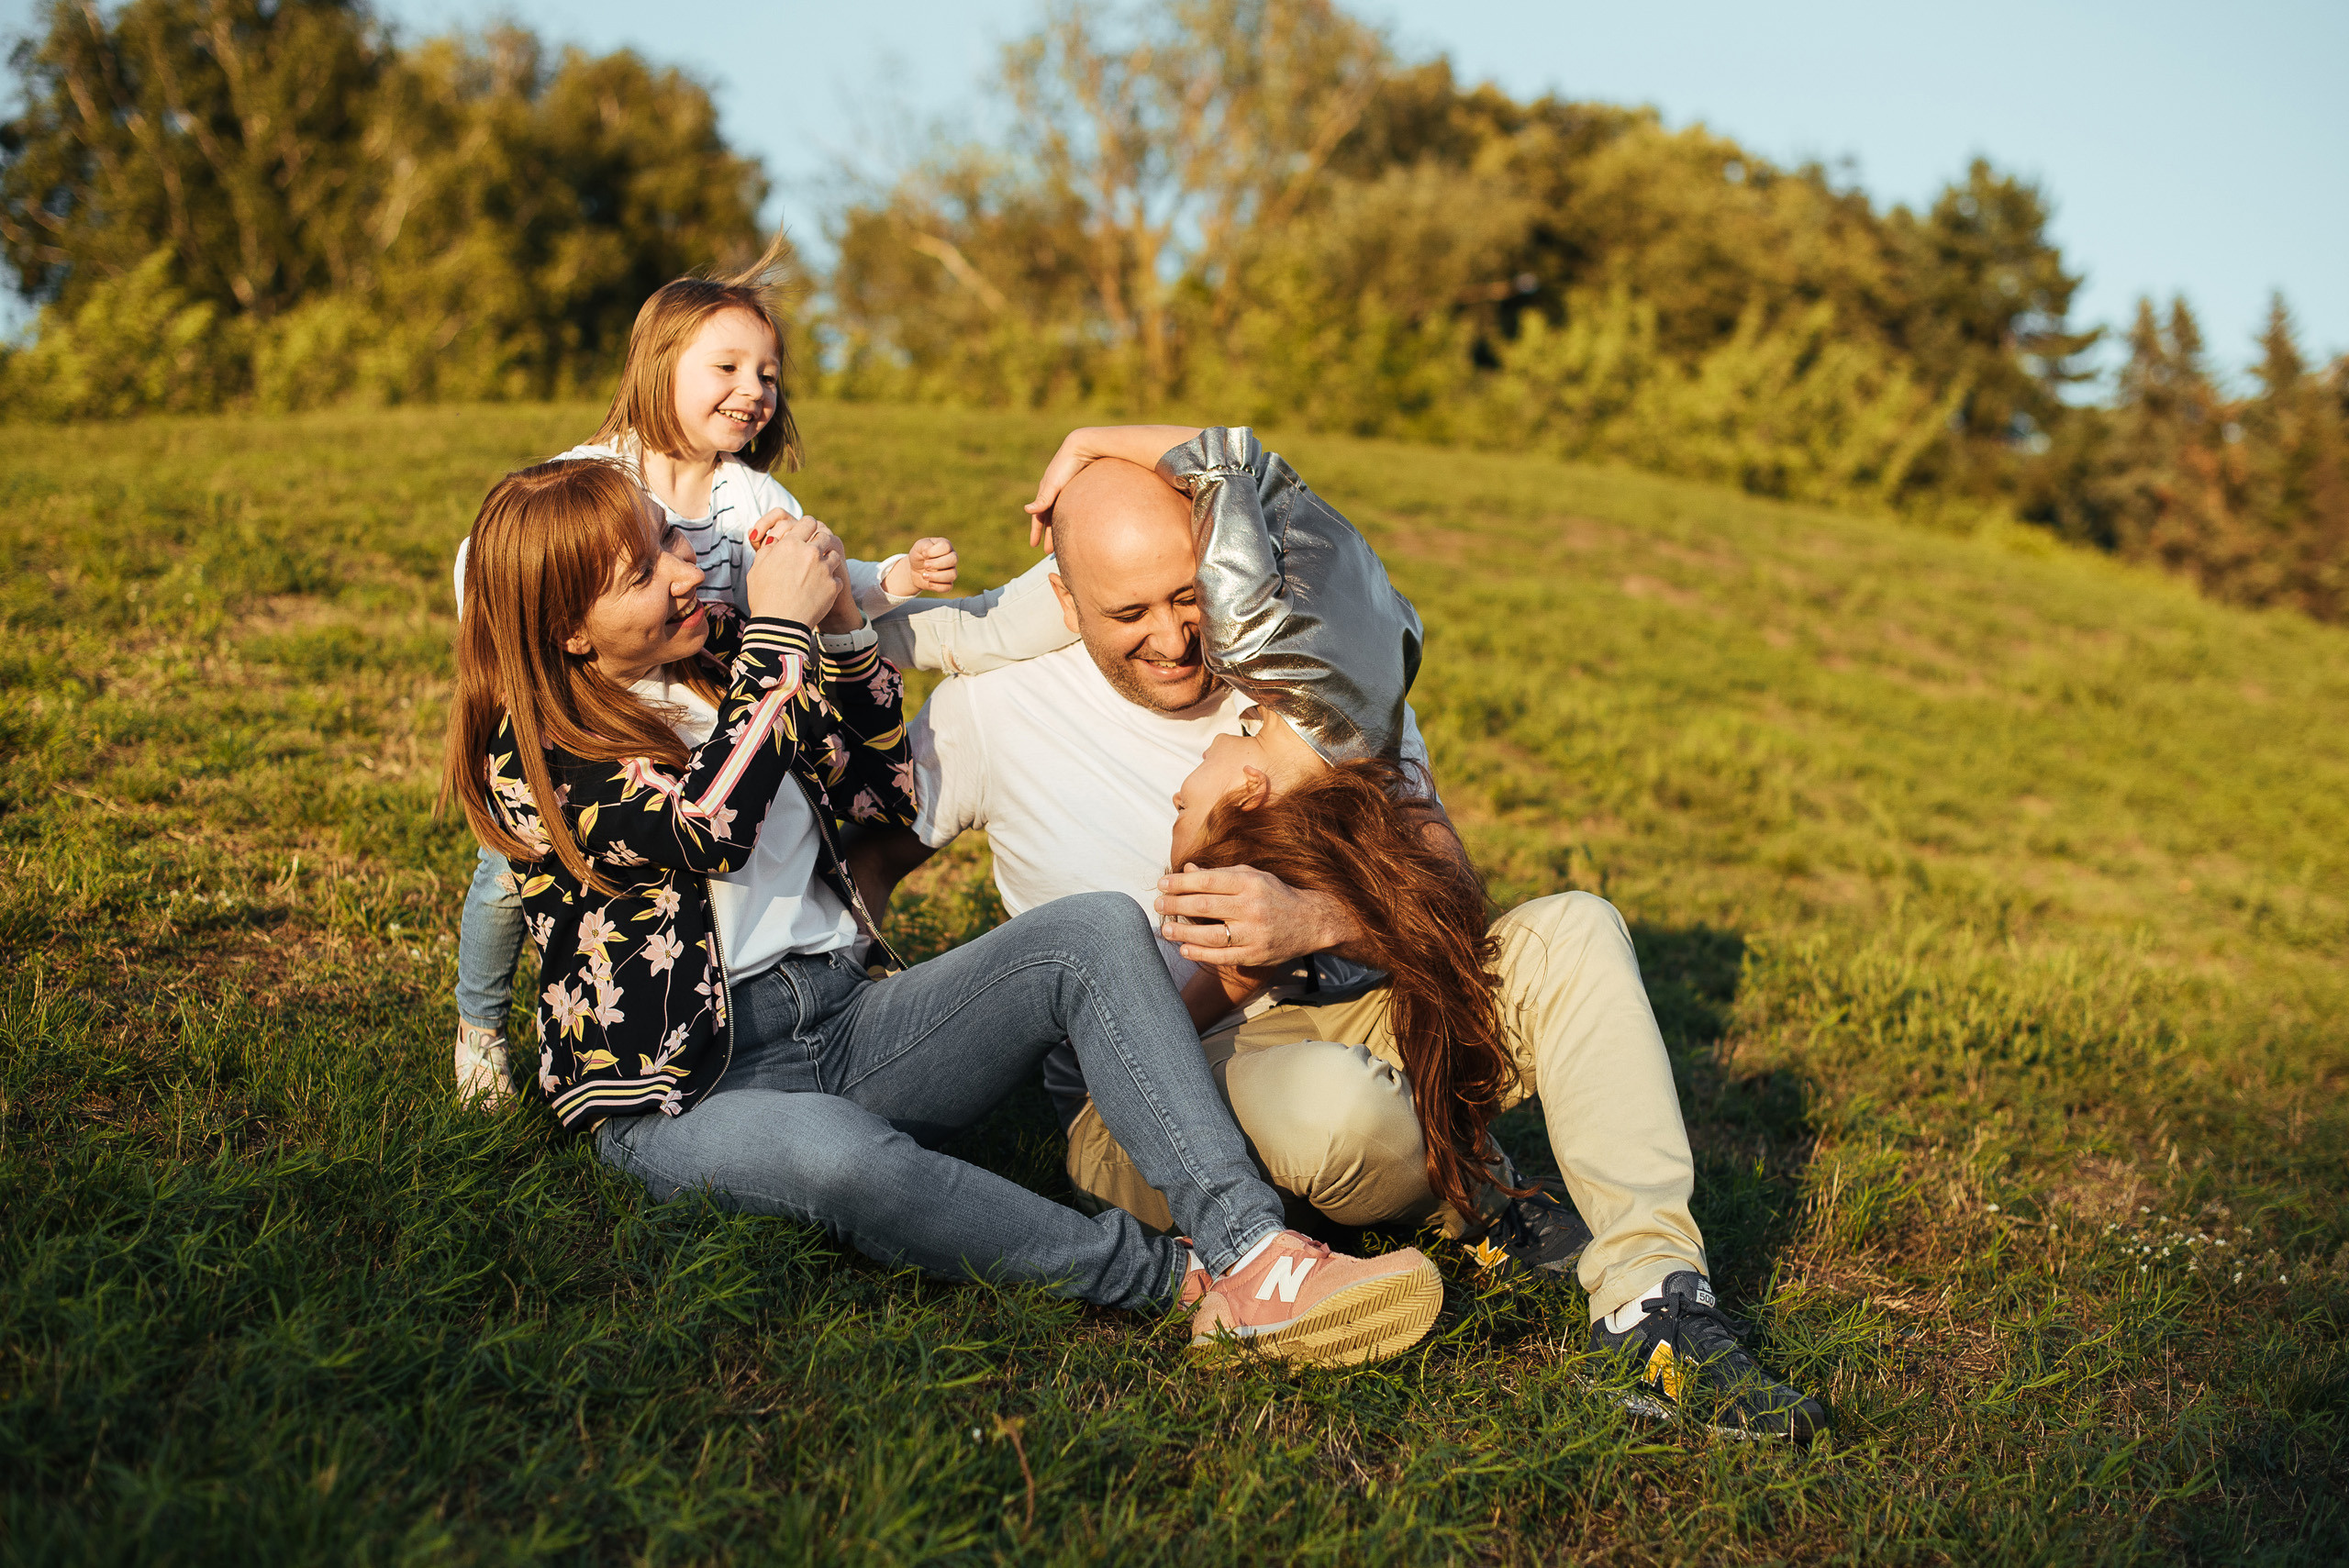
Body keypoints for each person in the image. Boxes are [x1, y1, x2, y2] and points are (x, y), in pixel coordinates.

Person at [852, 425, 1827, 1440]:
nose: (1177, 641)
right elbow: (863, 864)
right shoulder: (993, 708)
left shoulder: (1306, 663)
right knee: (1335, 1118)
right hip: (1153, 1083)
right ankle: (1469, 1189)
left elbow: (1446, 874)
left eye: (1190, 598)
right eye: (1128, 612)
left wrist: (1314, 917)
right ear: (1060, 599)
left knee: (1573, 930)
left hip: (1362, 998)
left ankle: (1651, 1303)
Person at [439, 455, 1444, 1366]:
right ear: (568, 627)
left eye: (668, 536)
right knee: (839, 1160)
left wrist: (834, 626)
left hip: (842, 1020)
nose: (685, 567)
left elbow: (877, 787)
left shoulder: (727, 673)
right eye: (641, 570)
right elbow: (708, 824)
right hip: (681, 1096)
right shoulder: (535, 759)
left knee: (1094, 926)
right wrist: (783, 639)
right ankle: (1170, 1277)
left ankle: (1254, 1250)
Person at [451, 238, 1071, 1104]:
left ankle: (1030, 616)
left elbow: (821, 576)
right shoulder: (589, 483)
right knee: (507, 875)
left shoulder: (752, 497)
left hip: (723, 692)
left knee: (803, 770)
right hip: (596, 725)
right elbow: (494, 571)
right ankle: (480, 1023)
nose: (755, 390)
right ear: (658, 365)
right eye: (729, 366)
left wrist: (882, 581)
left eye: (769, 375)